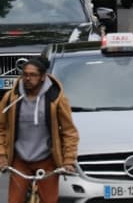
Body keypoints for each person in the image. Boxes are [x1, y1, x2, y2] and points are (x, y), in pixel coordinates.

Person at [0, 56, 79, 203]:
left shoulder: (56, 99)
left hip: (47, 160)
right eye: (25, 74)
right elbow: (1, 127)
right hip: (20, 160)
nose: (28, 78)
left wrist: (68, 160)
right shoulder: (11, 98)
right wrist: (2, 156)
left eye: (33, 75)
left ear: (43, 77)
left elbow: (69, 132)